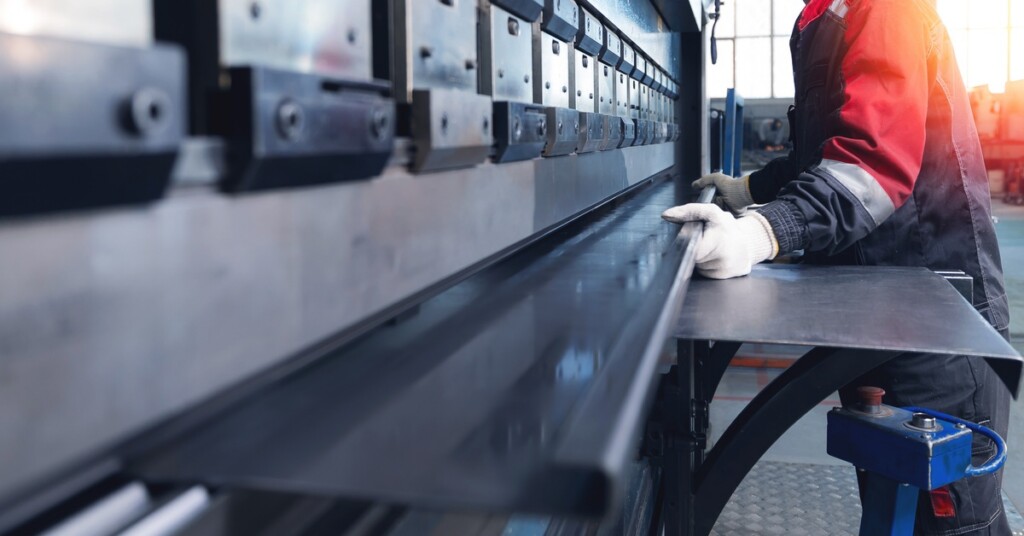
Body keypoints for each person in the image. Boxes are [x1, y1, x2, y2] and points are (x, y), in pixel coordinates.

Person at [662, 0, 1012, 534]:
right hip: (876, 310)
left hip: (936, 323)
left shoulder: (885, 9)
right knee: (889, 501)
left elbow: (871, 165)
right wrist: (751, 189)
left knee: (950, 521)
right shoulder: (821, 19)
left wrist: (764, 231)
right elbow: (821, 155)